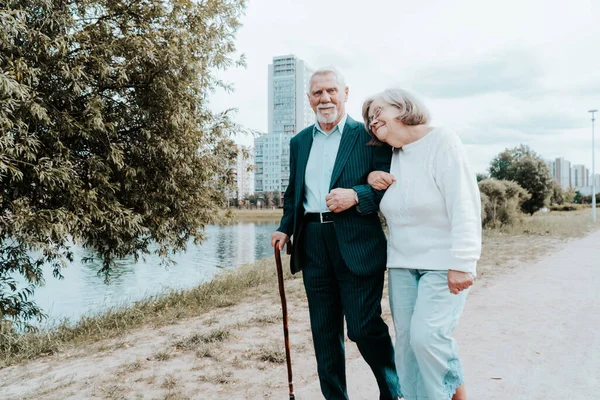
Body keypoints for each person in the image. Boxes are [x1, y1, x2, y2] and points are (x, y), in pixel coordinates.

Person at [270, 68, 402, 400]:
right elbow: (293, 192)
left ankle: (394, 391)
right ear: (309, 98)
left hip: (358, 241)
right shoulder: (299, 142)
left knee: (362, 327)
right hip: (313, 242)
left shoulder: (368, 135)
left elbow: (389, 183)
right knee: (324, 333)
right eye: (317, 93)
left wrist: (357, 195)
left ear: (345, 93)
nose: (325, 98)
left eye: (331, 91)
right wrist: (285, 227)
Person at [363, 88, 482, 400]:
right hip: (402, 265)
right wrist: (373, 175)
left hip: (443, 265)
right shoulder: (391, 157)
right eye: (369, 120)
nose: (373, 122)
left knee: (428, 338)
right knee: (408, 344)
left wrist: (463, 262)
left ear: (402, 106)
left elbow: (465, 204)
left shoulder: (442, 141)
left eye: (377, 112)